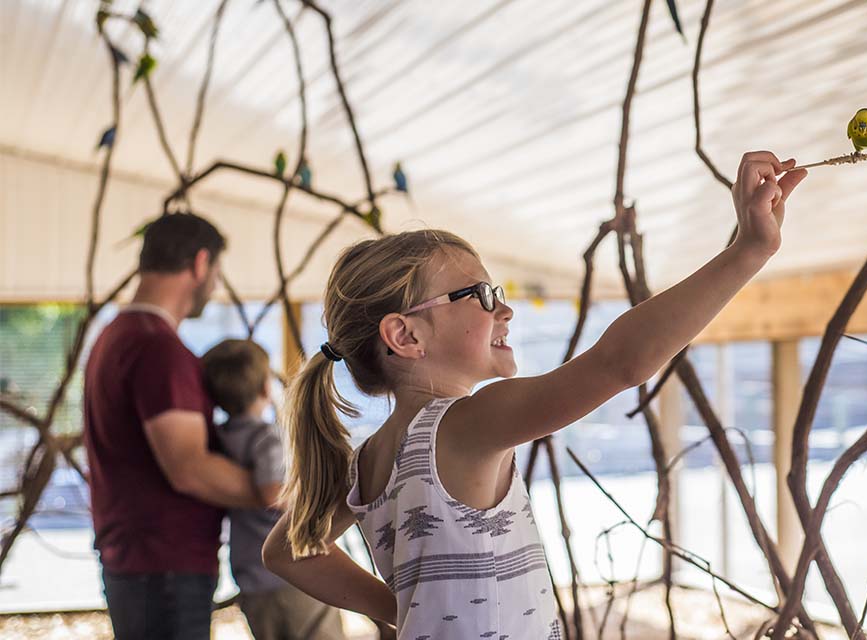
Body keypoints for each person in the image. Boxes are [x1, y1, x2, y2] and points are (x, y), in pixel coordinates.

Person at [263, 152, 806, 639]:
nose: (504, 308)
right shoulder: (465, 426)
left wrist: (403, 609)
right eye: (477, 294)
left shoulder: (369, 461)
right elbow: (620, 362)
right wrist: (747, 252)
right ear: (406, 336)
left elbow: (287, 551)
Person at [83, 212, 265, 640]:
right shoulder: (156, 347)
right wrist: (284, 495)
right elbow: (189, 466)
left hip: (142, 563)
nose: (215, 284)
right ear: (201, 263)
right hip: (162, 567)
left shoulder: (115, 335)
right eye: (216, 272)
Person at [202, 339, 346, 640]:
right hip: (292, 574)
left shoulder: (219, 438)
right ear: (266, 388)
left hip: (252, 577)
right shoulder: (266, 438)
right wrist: (320, 497)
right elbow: (272, 492)